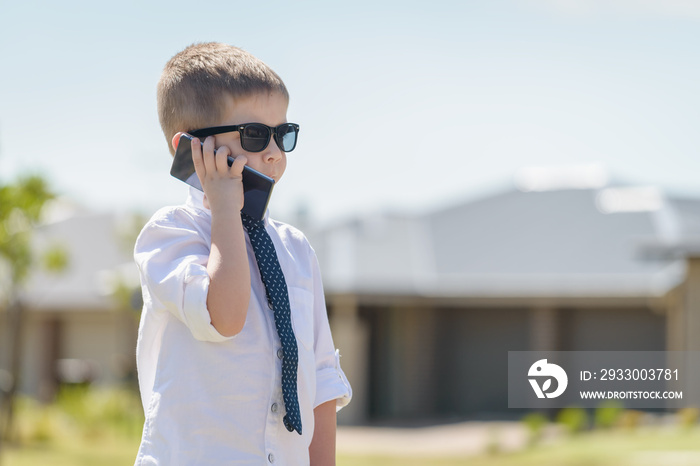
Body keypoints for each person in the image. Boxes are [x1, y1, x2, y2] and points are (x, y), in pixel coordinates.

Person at [133, 42, 352, 465]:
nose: (274, 151)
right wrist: (225, 210)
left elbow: (322, 377)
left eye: (282, 134)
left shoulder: (297, 250)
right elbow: (225, 318)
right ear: (190, 149)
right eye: (254, 135)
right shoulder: (170, 235)